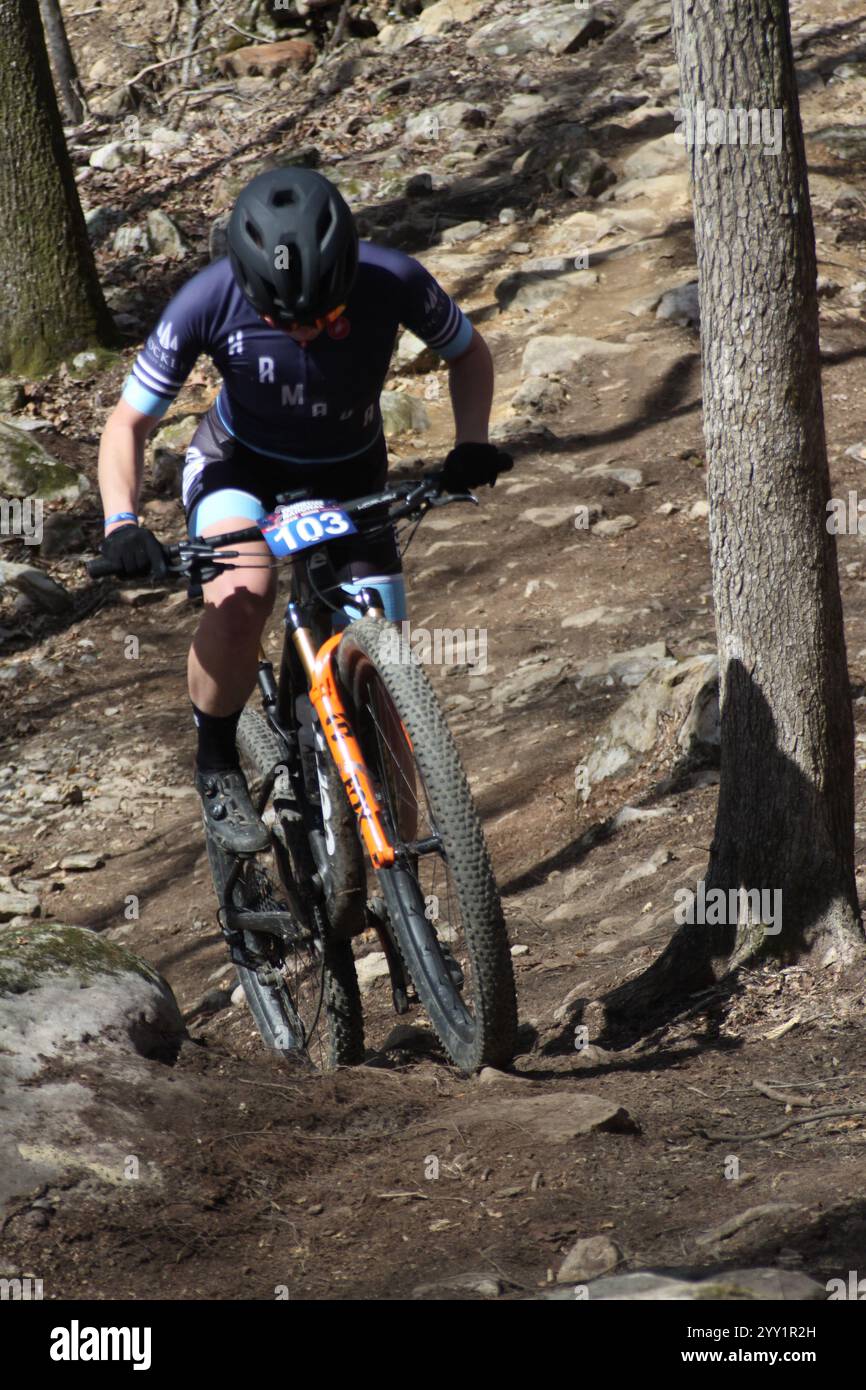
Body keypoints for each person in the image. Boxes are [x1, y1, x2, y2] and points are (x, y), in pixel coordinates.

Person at [96, 167, 512, 854]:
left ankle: (398, 882)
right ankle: (219, 762)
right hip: (239, 464)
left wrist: (471, 445)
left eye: (324, 315)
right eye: (285, 320)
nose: (308, 333)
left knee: (385, 687)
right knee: (243, 594)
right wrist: (121, 521)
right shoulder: (207, 299)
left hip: (350, 469)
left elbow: (468, 354)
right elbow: (126, 425)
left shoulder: (394, 279)